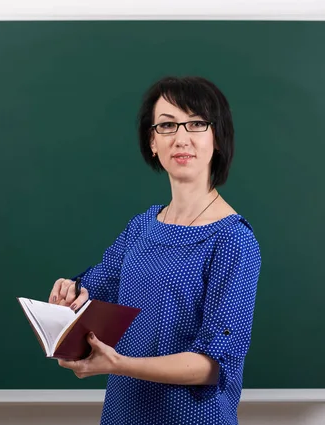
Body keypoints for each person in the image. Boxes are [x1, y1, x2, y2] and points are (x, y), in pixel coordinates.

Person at [49, 75, 261, 425]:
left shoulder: (232, 240)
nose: (181, 138)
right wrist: (70, 293)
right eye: (166, 125)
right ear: (151, 142)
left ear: (217, 138)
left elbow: (213, 365)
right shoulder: (142, 226)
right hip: (123, 413)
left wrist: (119, 365)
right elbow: (97, 288)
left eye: (196, 124)